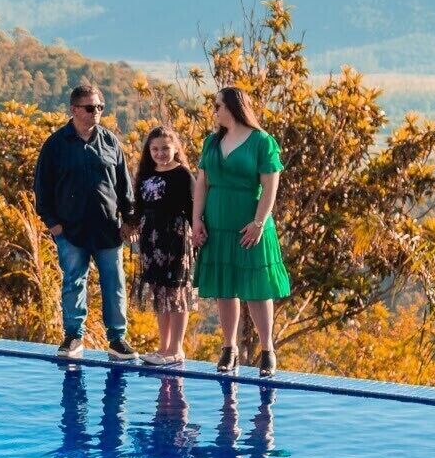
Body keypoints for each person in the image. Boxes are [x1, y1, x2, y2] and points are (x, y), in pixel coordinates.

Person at [192, 85, 292, 377]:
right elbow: (202, 183)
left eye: (218, 105)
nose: (214, 111)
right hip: (216, 223)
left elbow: (271, 185)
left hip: (249, 224)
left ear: (233, 107)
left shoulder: (262, 141)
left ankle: (267, 350)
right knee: (226, 287)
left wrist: (259, 222)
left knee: (257, 290)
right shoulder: (212, 142)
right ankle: (229, 347)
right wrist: (197, 220)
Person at [34, 82, 136, 361]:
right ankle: (73, 336)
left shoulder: (110, 141)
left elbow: (124, 184)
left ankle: (117, 339)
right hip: (71, 230)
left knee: (114, 283)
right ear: (74, 109)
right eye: (90, 108)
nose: (96, 113)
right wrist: (54, 226)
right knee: (73, 282)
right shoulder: (56, 145)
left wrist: (129, 219)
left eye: (100, 107)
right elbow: (42, 189)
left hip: (107, 229)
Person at [125, 125, 197, 366]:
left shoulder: (183, 175)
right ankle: (163, 347)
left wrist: (198, 234)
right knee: (160, 293)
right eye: (155, 149)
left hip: (175, 239)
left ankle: (175, 349)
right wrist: (132, 227)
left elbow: (193, 208)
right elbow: (140, 207)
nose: (160, 153)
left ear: (175, 148)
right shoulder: (145, 173)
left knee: (176, 293)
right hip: (150, 240)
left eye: (165, 148)